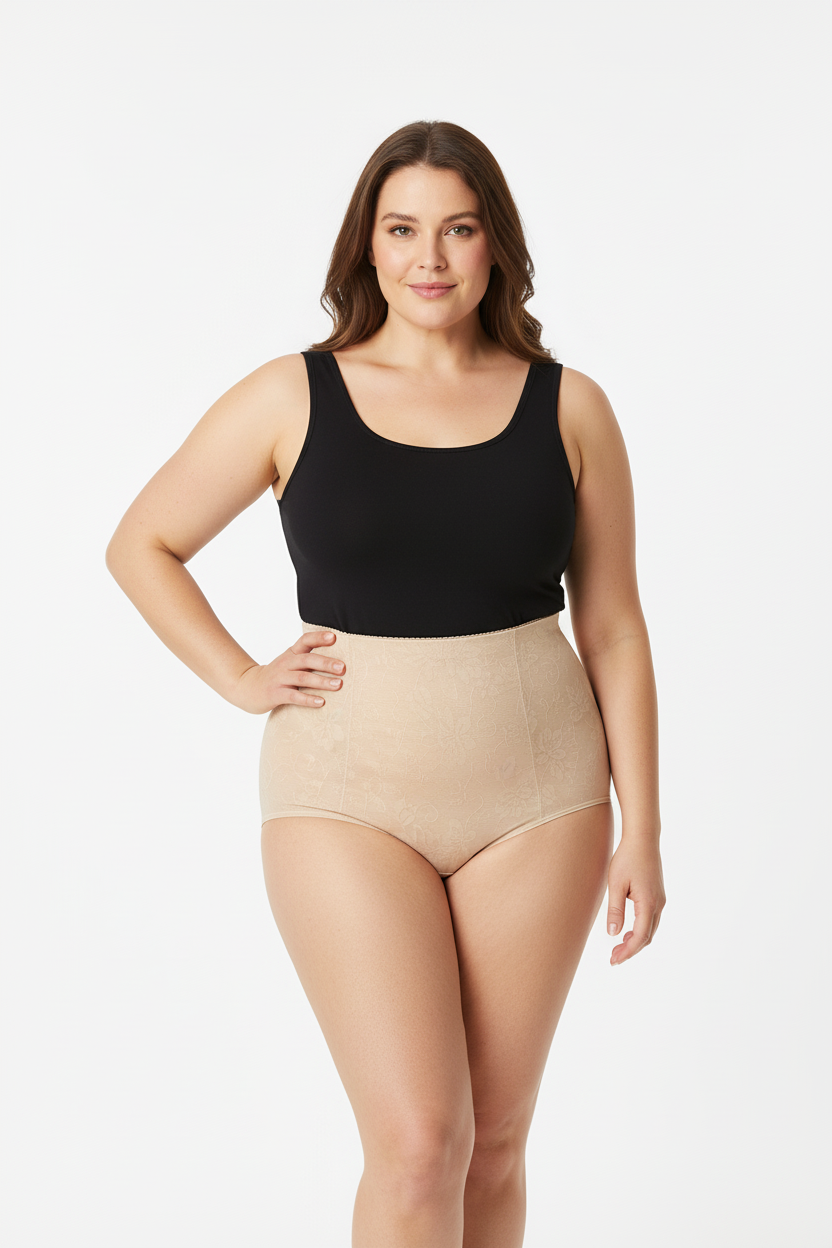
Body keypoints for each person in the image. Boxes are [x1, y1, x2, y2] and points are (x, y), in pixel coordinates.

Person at [106, 119, 666, 1248]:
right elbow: (142, 545)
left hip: (542, 803)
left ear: (496, 245)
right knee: (417, 1144)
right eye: (403, 229)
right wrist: (239, 677)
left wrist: (642, 831)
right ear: (366, 245)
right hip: (343, 801)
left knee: (493, 1144)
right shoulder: (289, 395)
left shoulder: (571, 407)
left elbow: (612, 627)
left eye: (458, 229)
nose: (430, 258)